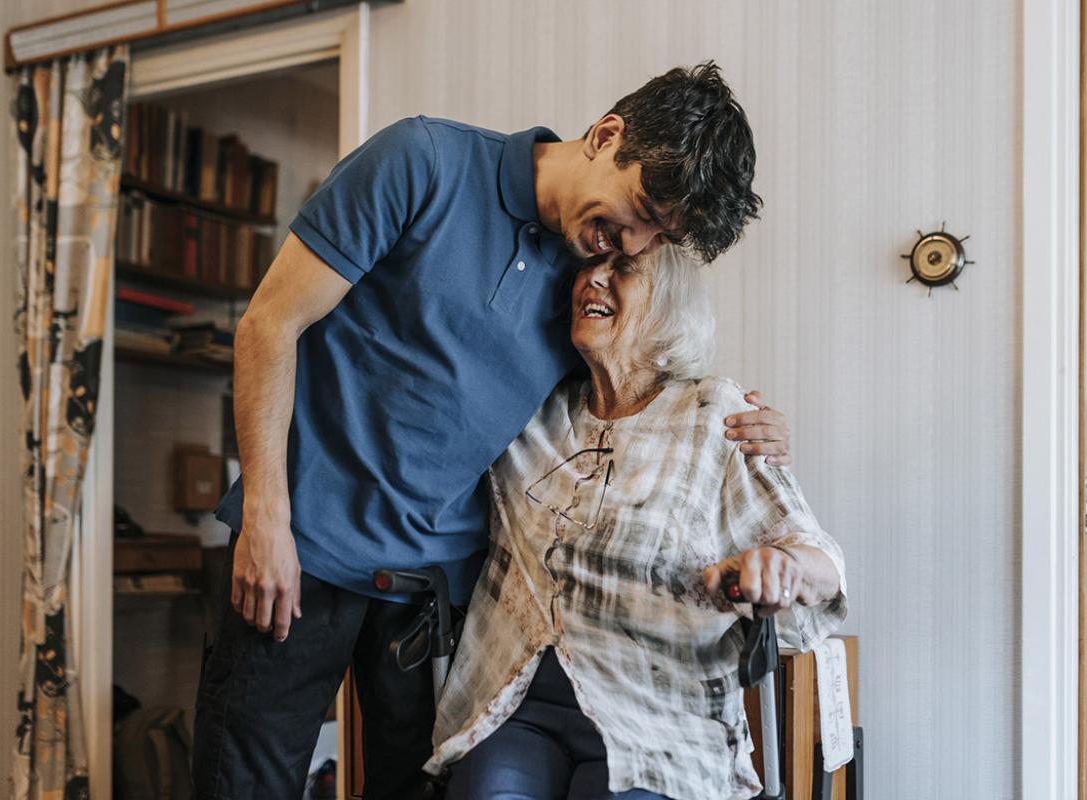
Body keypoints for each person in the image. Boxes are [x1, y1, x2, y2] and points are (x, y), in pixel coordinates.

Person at [193, 64, 787, 800]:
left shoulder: (586, 283)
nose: (632, 244)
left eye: (656, 235)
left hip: (433, 595)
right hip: (301, 547)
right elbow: (268, 326)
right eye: (639, 210)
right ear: (605, 136)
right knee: (241, 785)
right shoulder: (422, 161)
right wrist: (265, 517)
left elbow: (626, 404)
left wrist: (743, 426)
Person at [426, 245, 848, 800]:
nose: (593, 278)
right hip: (515, 707)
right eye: (588, 266)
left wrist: (783, 566)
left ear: (668, 305)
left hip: (660, 717)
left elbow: (820, 557)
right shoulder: (528, 409)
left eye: (622, 269)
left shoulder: (713, 413)